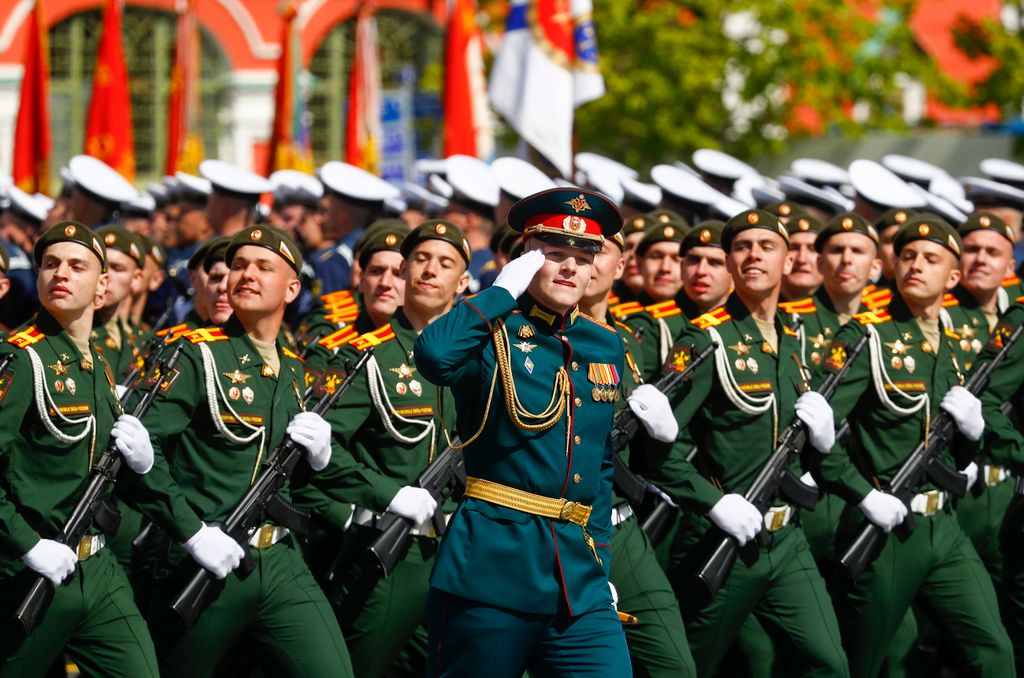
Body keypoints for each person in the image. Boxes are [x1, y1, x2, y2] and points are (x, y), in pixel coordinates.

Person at [416, 188, 667, 676]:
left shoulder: (602, 345)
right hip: (491, 570)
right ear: (526, 262)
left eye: (583, 256)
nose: (571, 268)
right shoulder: (490, 329)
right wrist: (499, 293)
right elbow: (434, 356)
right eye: (555, 255)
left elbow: (597, 466)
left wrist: (599, 563)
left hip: (577, 576)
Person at [132, 225, 355, 677]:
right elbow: (140, 451)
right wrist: (191, 532)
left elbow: (295, 477)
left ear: (293, 288)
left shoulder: (294, 369)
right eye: (238, 266)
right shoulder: (197, 356)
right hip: (207, 558)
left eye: (262, 267)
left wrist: (323, 459)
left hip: (280, 561)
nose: (246, 274)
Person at [655, 208, 849, 677]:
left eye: (766, 247)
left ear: (787, 262)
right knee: (688, 668)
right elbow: (658, 451)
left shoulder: (797, 339)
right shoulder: (705, 340)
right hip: (723, 538)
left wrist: (821, 448)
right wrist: (713, 503)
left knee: (829, 663)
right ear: (729, 262)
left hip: (787, 538)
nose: (753, 256)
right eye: (742, 248)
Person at [818, 214, 1014, 678]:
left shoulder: (959, 341)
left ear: (953, 276)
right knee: (862, 662)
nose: (915, 266)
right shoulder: (867, 337)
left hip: (942, 525)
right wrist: (864, 495)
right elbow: (817, 435)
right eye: (907, 256)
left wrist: (974, 434)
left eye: (930, 259)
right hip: (884, 528)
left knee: (994, 653)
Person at [308, 220, 470, 677]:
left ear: (463, 283)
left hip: (463, 553)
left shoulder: (482, 358)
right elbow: (322, 451)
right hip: (390, 556)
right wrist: (388, 494)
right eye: (420, 260)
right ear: (404, 270)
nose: (429, 271)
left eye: (445, 264)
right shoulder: (366, 356)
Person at [0, 221, 159, 676]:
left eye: (76, 265)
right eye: (50, 264)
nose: (60, 274)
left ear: (103, 285)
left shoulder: (97, 361)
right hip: (31, 570)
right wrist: (28, 545)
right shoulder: (21, 359)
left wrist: (140, 464)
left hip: (99, 567)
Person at [579, 230, 697, 677]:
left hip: (622, 526)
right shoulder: (531, 339)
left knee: (674, 665)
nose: (586, 264)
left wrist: (661, 435)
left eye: (598, 252)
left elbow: (643, 460)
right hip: (556, 530)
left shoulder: (631, 341)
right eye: (573, 254)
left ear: (621, 265)